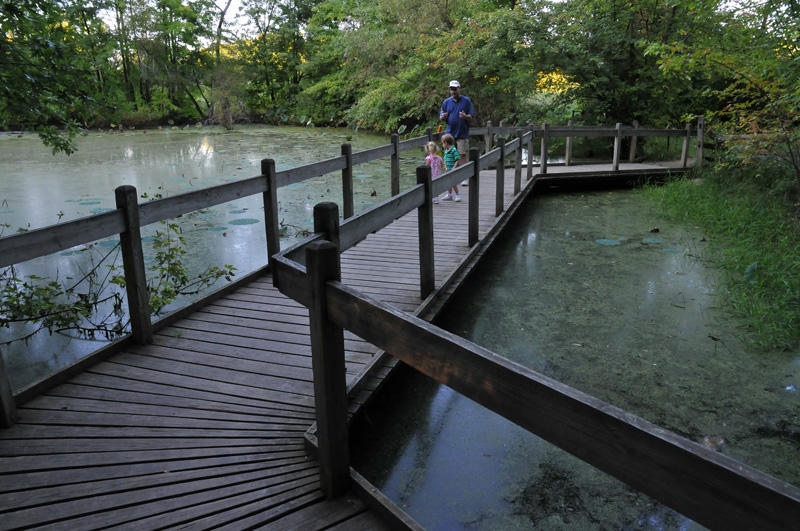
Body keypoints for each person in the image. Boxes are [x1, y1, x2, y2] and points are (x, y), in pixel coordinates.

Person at [440, 79, 474, 184]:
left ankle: (465, 177)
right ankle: (449, 175)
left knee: (462, 154)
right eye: (451, 89)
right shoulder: (446, 102)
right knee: (448, 155)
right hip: (450, 133)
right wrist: (443, 117)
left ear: (459, 89)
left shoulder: (466, 101)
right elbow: (441, 117)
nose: (453, 91)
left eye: (455, 89)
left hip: (462, 133)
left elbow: (471, 116)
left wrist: (465, 116)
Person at [440, 134, 461, 202]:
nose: (442, 144)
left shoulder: (453, 150)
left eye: (443, 143)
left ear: (446, 142)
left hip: (452, 169)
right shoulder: (446, 150)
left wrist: (454, 168)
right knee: (448, 182)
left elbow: (457, 159)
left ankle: (458, 195)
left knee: (453, 182)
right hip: (447, 169)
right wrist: (445, 166)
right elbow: (445, 159)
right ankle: (449, 195)